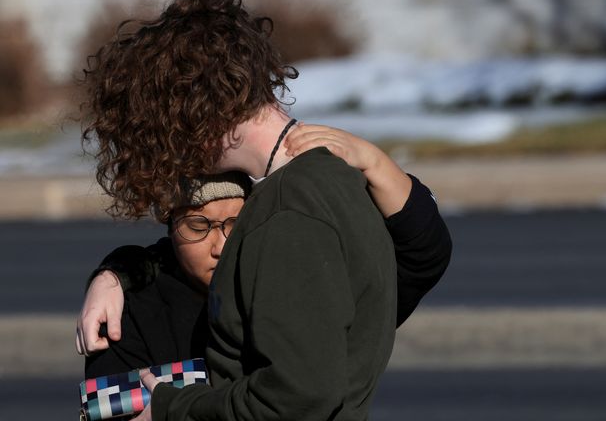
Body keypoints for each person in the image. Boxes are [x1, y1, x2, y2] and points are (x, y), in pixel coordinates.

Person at [79, 0, 451, 419]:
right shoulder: (339, 182)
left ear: (197, 118)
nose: (175, 153)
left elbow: (295, 399)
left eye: (169, 133)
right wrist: (118, 271)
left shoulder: (283, 217)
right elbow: (426, 249)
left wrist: (171, 408)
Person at [80, 131, 452, 380]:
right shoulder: (127, 312)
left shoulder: (312, 289)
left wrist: (374, 161)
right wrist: (117, 274)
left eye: (238, 225)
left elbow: (422, 251)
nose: (221, 246)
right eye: (197, 225)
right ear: (169, 225)